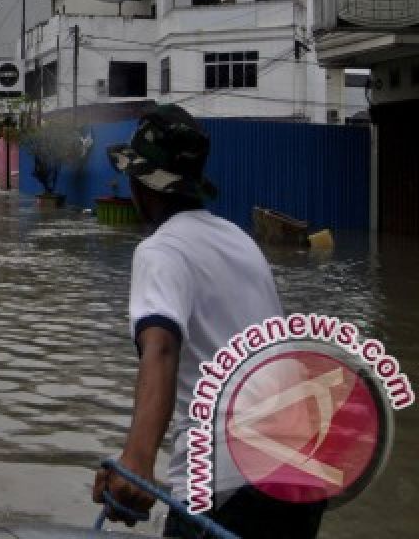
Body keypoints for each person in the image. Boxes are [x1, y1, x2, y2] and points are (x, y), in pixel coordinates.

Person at [91, 105, 324, 539]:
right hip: (302, 476)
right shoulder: (241, 241)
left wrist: (136, 463)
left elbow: (160, 347)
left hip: (226, 484)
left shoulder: (160, 250)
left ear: (142, 185)